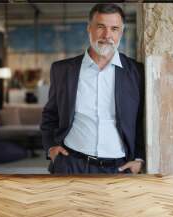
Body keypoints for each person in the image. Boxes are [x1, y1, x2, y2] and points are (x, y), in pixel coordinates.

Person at [40, 3, 145, 174]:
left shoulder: (137, 72)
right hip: (71, 164)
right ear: (89, 28)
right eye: (101, 27)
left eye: (114, 29)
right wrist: (51, 147)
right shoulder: (62, 70)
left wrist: (139, 159)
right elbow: (50, 115)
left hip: (119, 168)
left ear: (122, 32)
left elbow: (141, 120)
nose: (107, 35)